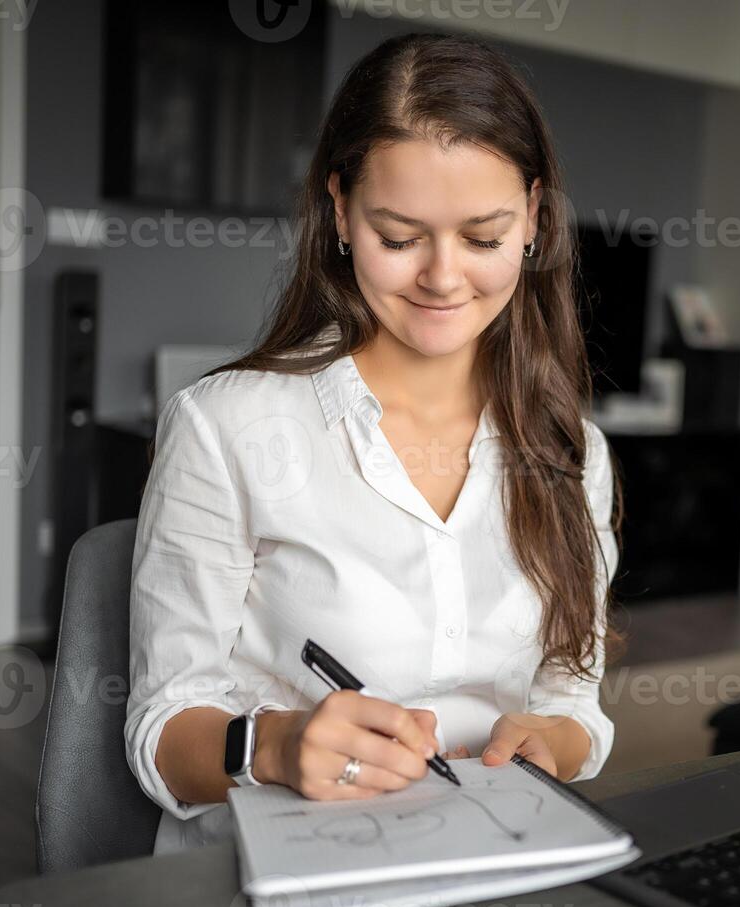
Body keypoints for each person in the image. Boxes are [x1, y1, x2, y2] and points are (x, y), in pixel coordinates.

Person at [124, 32, 623, 853]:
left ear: (533, 220)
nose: (442, 277)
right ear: (340, 213)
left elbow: (573, 702)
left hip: (489, 854)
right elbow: (160, 731)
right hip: (282, 872)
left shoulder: (573, 454)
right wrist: (275, 747)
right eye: (399, 237)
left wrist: (552, 745)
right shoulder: (226, 428)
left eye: (484, 237)